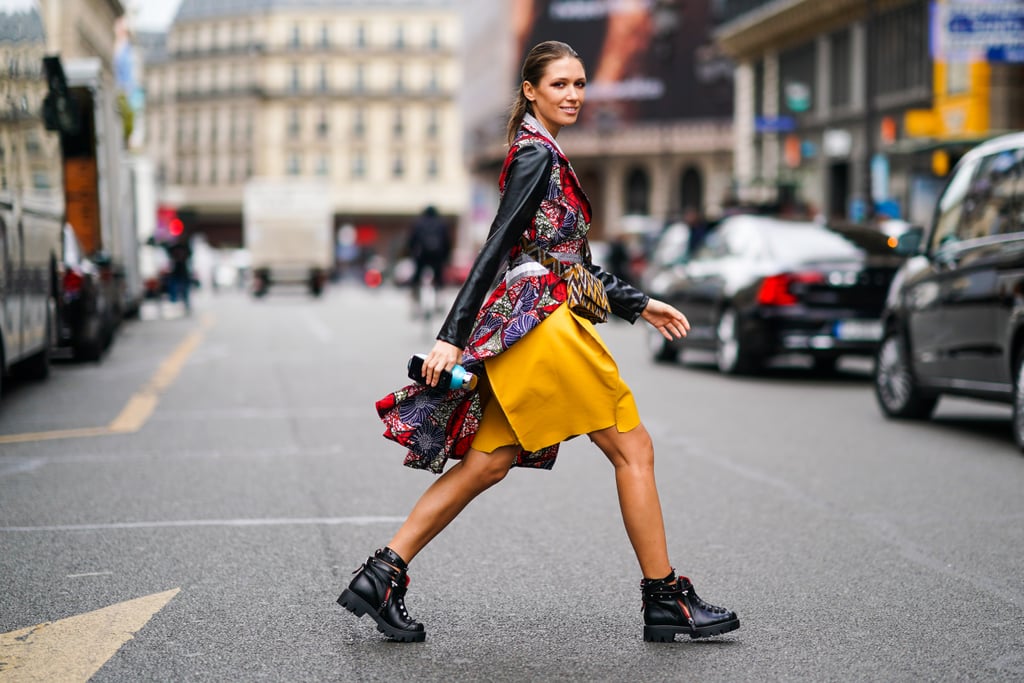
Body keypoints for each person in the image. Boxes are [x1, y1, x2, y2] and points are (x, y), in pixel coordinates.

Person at [337, 41, 739, 644]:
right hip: (544, 326)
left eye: (579, 84)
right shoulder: (536, 157)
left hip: (534, 325)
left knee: (488, 463)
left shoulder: (547, 154)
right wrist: (450, 337)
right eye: (559, 85)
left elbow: (569, 264)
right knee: (634, 450)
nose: (573, 94)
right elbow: (497, 248)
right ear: (530, 90)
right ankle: (665, 599)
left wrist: (639, 303)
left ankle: (380, 575)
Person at [407, 205, 451, 315]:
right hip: (437, 255)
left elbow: (412, 242)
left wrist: (412, 254)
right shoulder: (441, 224)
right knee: (439, 279)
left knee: (416, 278)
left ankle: (415, 303)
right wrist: (446, 257)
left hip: (422, 255)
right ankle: (439, 303)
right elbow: (447, 242)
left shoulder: (419, 223)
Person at [165, 238, 192, 315]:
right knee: (174, 290)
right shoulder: (173, 248)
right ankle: (175, 305)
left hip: (183, 273)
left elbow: (190, 254)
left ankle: (185, 305)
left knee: (184, 291)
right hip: (176, 273)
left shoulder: (185, 248)